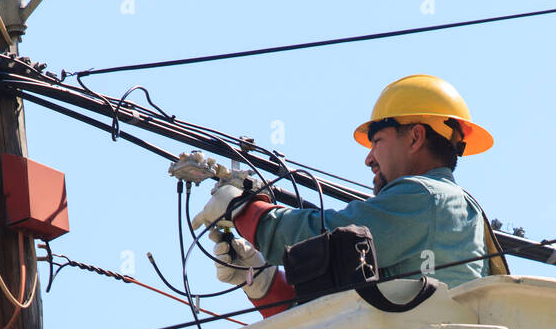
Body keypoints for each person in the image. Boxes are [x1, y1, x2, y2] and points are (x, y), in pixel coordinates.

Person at [192, 74, 505, 314]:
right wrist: (261, 280)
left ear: (415, 137)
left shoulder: (426, 198)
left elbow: (325, 235)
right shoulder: (446, 210)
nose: (368, 159)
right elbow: (330, 317)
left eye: (376, 140)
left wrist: (243, 208)